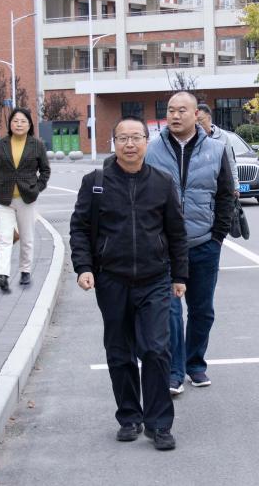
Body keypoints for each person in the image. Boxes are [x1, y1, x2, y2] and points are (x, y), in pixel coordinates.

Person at [70, 117, 189, 451]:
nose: (130, 144)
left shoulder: (162, 182)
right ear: (114, 143)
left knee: (156, 349)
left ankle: (159, 423)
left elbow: (176, 232)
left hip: (155, 279)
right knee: (119, 352)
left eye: (136, 137)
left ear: (147, 141)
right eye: (123, 138)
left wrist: (180, 275)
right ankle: (129, 417)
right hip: (112, 279)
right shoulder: (95, 182)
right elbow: (80, 228)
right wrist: (83, 267)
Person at [146, 91, 235, 394]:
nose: (175, 115)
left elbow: (225, 196)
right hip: (164, 247)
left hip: (203, 244)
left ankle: (195, 363)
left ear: (196, 114)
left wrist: (217, 237)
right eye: (170, 110)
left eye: (182, 110)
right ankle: (174, 370)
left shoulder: (216, 149)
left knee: (202, 310)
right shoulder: (152, 150)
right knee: (170, 311)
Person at [0, 107, 51, 290]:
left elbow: (45, 171)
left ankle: (25, 271)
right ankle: (2, 275)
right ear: (10, 124)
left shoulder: (37, 145)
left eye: (23, 121)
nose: (19, 124)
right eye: (15, 121)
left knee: (26, 237)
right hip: (3, 199)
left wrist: (37, 188)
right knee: (4, 238)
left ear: (29, 125)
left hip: (27, 198)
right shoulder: (0, 145)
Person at [196, 103, 239, 192]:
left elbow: (231, 162)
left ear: (209, 118)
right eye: (195, 121)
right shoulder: (193, 138)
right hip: (200, 187)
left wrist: (235, 186)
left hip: (221, 185)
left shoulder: (223, 137)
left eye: (200, 120)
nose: (197, 123)